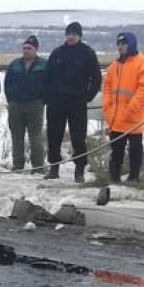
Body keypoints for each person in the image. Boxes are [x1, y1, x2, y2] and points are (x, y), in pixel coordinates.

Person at [43, 21, 101, 182]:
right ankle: (54, 168)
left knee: (78, 137)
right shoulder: (57, 53)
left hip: (77, 102)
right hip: (56, 102)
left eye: (74, 34)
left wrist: (88, 96)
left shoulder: (87, 53)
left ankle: (79, 170)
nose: (71, 37)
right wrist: (47, 97)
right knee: (54, 136)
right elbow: (47, 77)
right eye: (68, 34)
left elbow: (96, 78)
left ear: (79, 36)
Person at [103, 32, 144, 183]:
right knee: (116, 152)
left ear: (131, 44)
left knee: (135, 151)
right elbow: (107, 88)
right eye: (119, 44)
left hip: (134, 118)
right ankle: (114, 179)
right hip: (115, 119)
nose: (120, 47)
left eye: (124, 44)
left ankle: (134, 177)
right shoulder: (113, 67)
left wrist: (131, 108)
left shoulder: (143, 64)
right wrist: (107, 108)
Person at [3, 35, 48, 171]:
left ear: (35, 49)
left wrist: (43, 99)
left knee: (35, 136)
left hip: (35, 104)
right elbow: (7, 83)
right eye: (24, 48)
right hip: (16, 104)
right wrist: (10, 99)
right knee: (16, 136)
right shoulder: (15, 64)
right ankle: (18, 164)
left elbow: (50, 83)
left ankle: (38, 166)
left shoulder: (43, 65)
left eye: (29, 48)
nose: (26, 51)